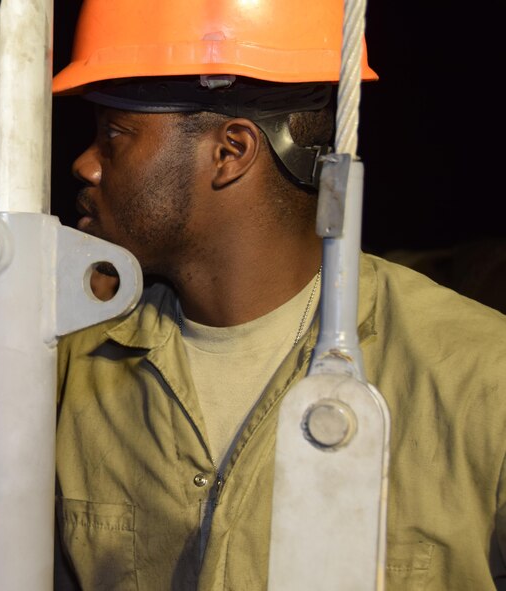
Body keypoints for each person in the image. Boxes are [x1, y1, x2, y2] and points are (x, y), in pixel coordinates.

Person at [51, 0, 506, 589]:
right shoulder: (67, 368)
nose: (85, 166)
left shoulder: (480, 381)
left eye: (115, 136)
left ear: (230, 151)